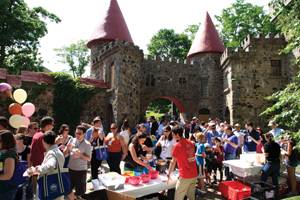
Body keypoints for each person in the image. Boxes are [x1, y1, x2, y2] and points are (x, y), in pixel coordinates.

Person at [28, 130, 65, 200]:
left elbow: (50, 167)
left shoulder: (51, 153)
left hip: (50, 189)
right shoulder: (57, 151)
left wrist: (37, 169)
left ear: (43, 141)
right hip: (56, 186)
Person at [167, 125, 198, 200]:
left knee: (178, 198)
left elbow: (173, 162)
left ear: (177, 135)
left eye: (173, 135)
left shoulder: (178, 145)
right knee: (191, 197)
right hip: (194, 174)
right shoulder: (191, 143)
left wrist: (168, 174)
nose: (173, 136)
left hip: (185, 175)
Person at [64, 125, 91, 198]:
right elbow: (65, 153)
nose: (77, 135)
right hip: (71, 169)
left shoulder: (87, 144)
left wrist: (79, 154)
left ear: (84, 134)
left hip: (81, 170)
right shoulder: (72, 140)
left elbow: (89, 159)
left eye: (80, 133)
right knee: (68, 190)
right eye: (76, 133)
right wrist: (67, 147)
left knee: (80, 192)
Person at [30, 116, 54, 196]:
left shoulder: (37, 134)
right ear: (48, 126)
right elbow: (48, 153)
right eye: (52, 125)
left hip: (37, 170)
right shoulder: (42, 136)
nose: (53, 127)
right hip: (40, 172)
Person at [261, 132, 281, 199]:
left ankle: (265, 196)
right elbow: (279, 155)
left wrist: (263, 150)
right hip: (277, 164)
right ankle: (276, 196)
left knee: (263, 180)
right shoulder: (277, 145)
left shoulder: (266, 145)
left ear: (266, 138)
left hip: (270, 164)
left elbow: (266, 155)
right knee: (275, 180)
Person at [0, 130, 19, 199]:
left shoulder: (9, 154)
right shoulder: (3, 151)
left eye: (0, 141)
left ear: (6, 142)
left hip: (5, 191)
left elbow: (7, 176)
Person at [15, 134, 31, 200]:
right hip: (15, 170)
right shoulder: (13, 149)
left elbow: (28, 161)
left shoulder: (27, 149)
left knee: (22, 187)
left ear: (21, 140)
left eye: (17, 139)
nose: (15, 140)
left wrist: (29, 171)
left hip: (23, 170)